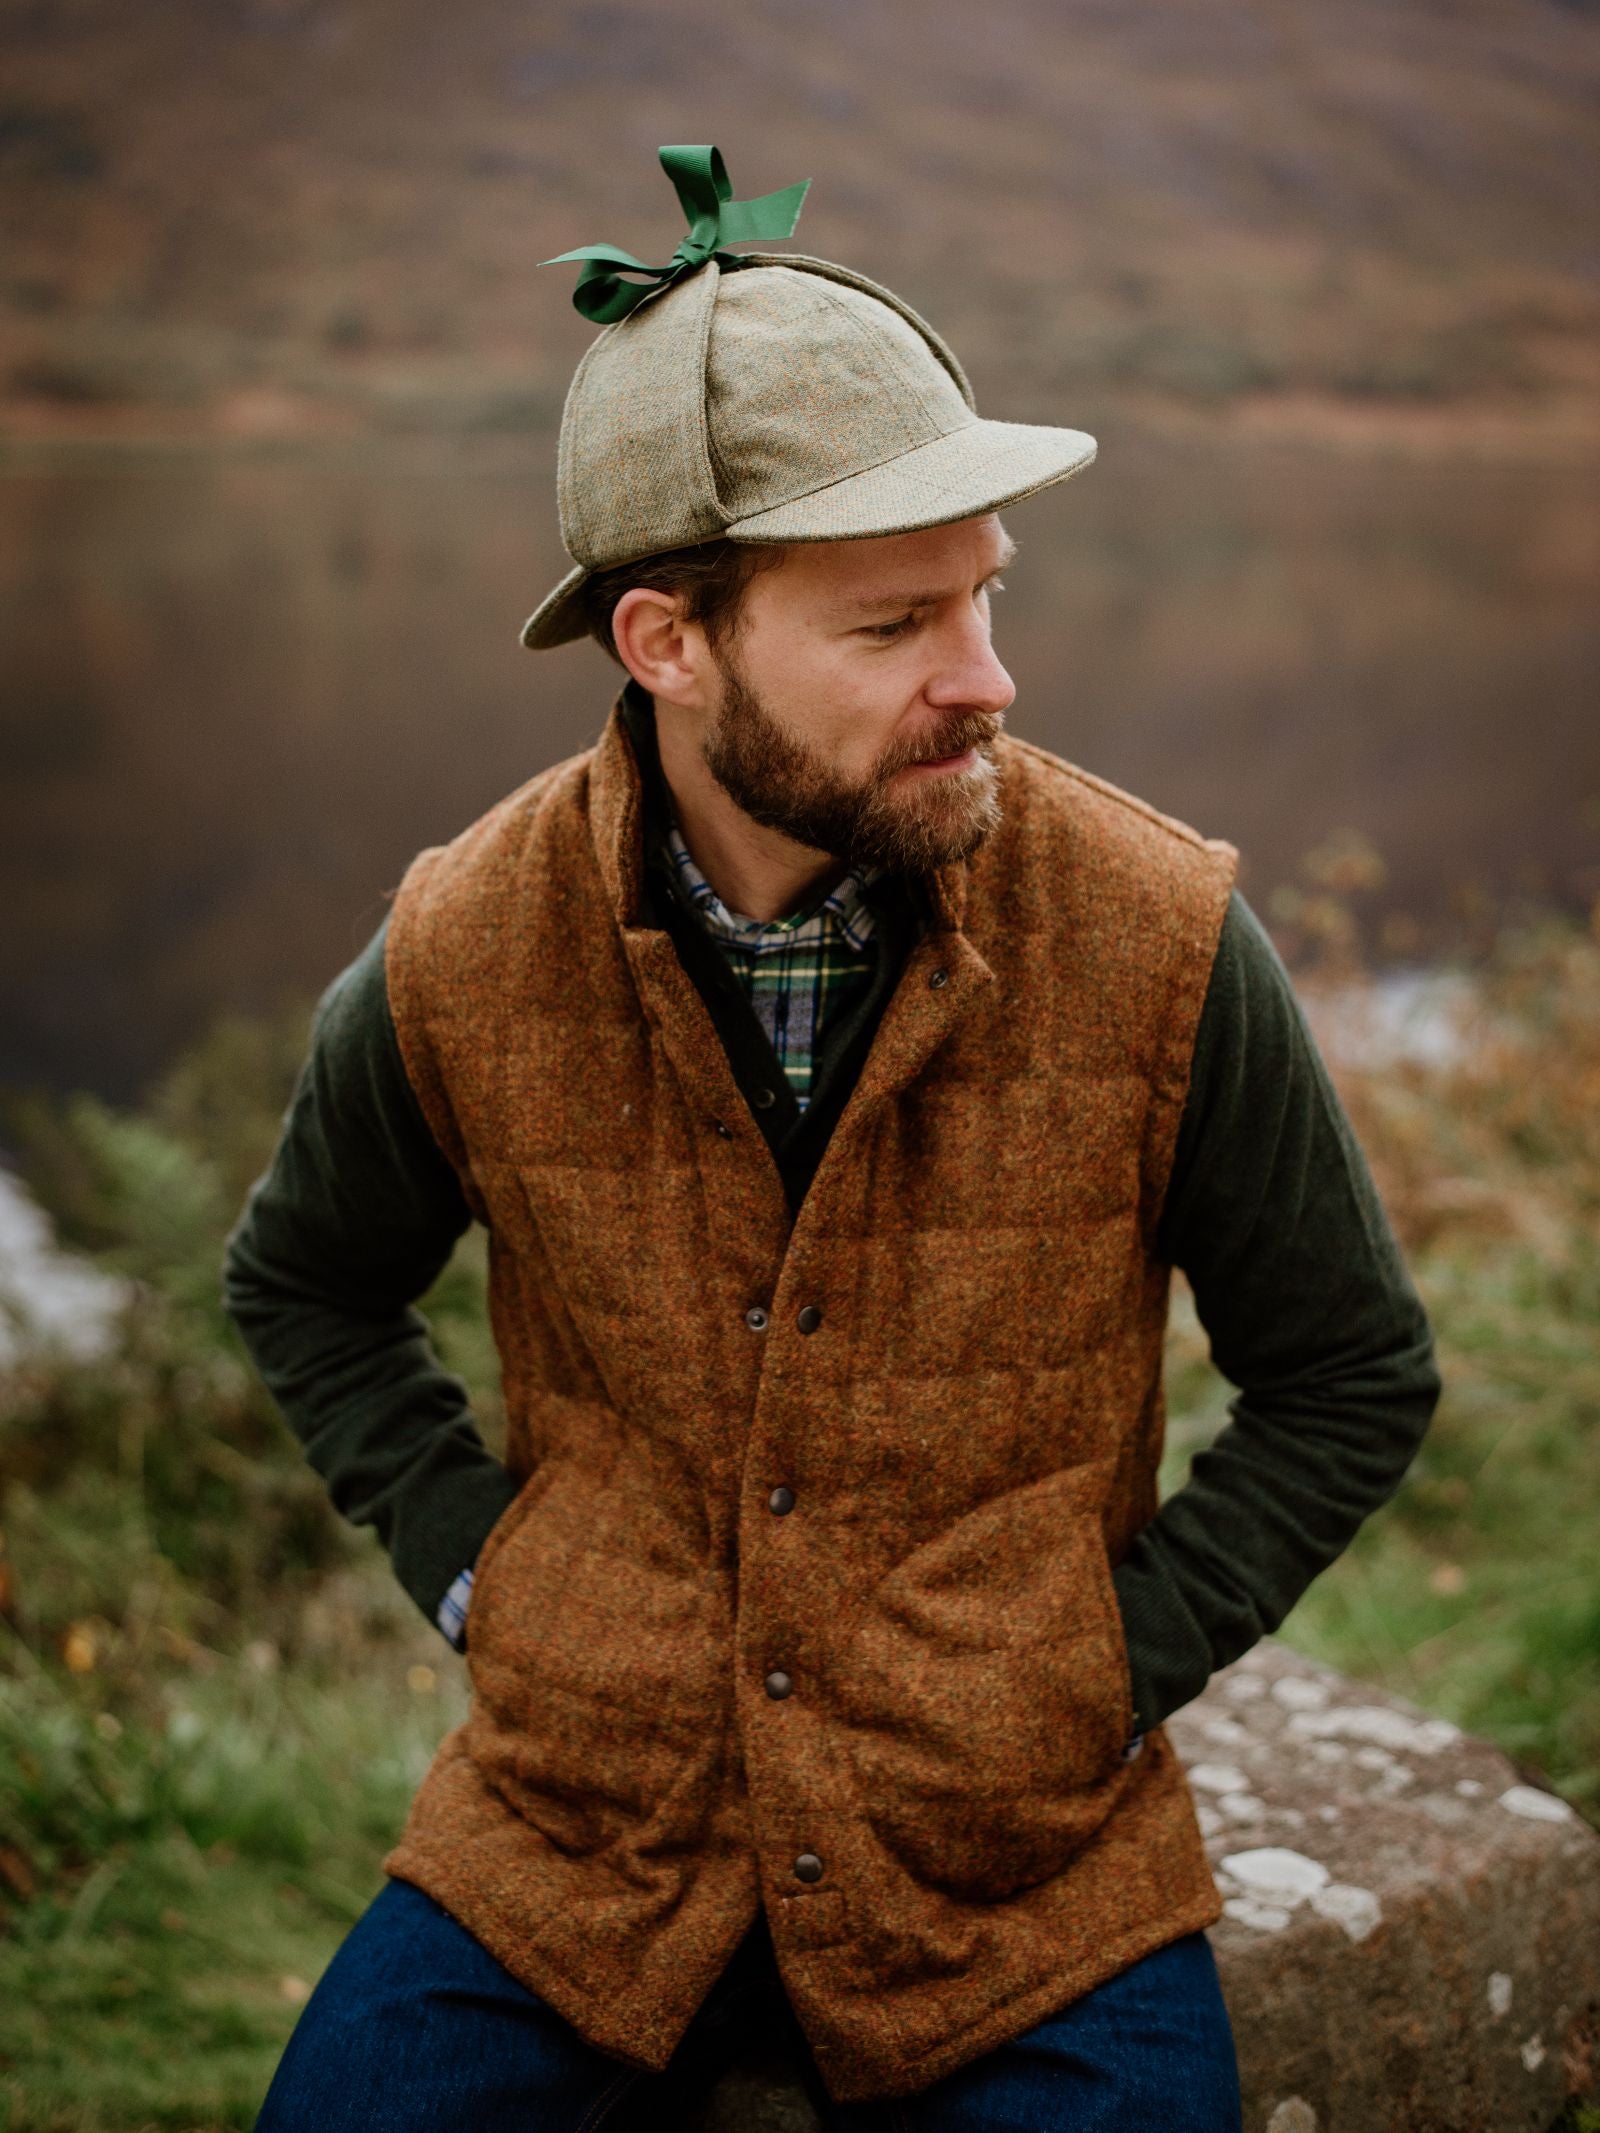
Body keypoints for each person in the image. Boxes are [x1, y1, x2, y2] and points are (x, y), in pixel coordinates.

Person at [223, 147, 1441, 2132]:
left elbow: (1349, 1371)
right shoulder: (459, 939)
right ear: (665, 646)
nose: (987, 679)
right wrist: (480, 1577)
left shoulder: (1159, 938)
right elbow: (302, 1284)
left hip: (1021, 1878)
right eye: (892, 625)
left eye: (980, 596)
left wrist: (1100, 1666)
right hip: (573, 1844)